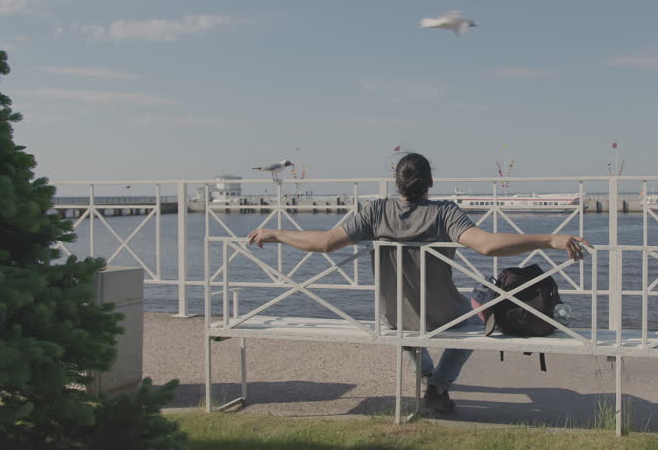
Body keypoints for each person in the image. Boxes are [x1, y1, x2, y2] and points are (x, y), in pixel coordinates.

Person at [248, 153, 590, 413]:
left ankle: (431, 380)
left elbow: (323, 242)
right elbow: (487, 245)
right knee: (478, 323)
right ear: (429, 183)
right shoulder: (444, 213)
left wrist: (276, 232)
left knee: (403, 330)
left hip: (395, 317)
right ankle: (438, 386)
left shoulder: (375, 212)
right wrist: (548, 239)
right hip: (445, 315)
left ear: (397, 182)